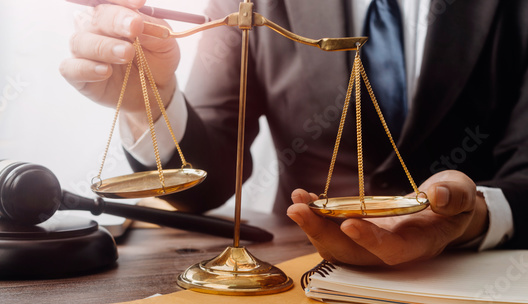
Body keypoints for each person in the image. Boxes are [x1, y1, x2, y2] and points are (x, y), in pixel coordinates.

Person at [62, 0, 527, 265]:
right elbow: (210, 175)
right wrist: (151, 102)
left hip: (477, 269)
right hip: (300, 264)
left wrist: (473, 217)